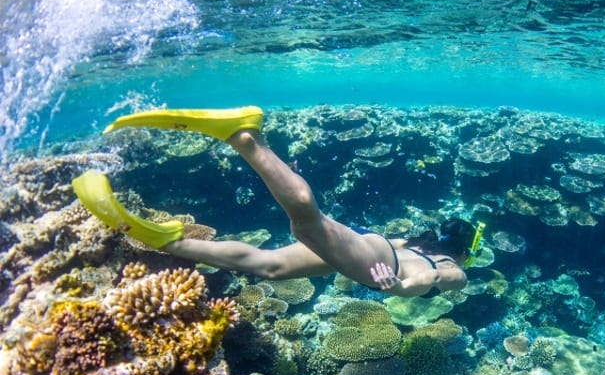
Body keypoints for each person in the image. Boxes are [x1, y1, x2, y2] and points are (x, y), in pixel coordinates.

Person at [73, 107, 478, 298]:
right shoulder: (453, 267)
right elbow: (434, 280)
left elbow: (407, 259)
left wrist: (400, 274)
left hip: (377, 248)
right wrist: (400, 288)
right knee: (306, 221)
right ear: (463, 251)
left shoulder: (417, 244)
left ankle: (170, 240)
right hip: (375, 266)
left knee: (270, 267)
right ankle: (246, 137)